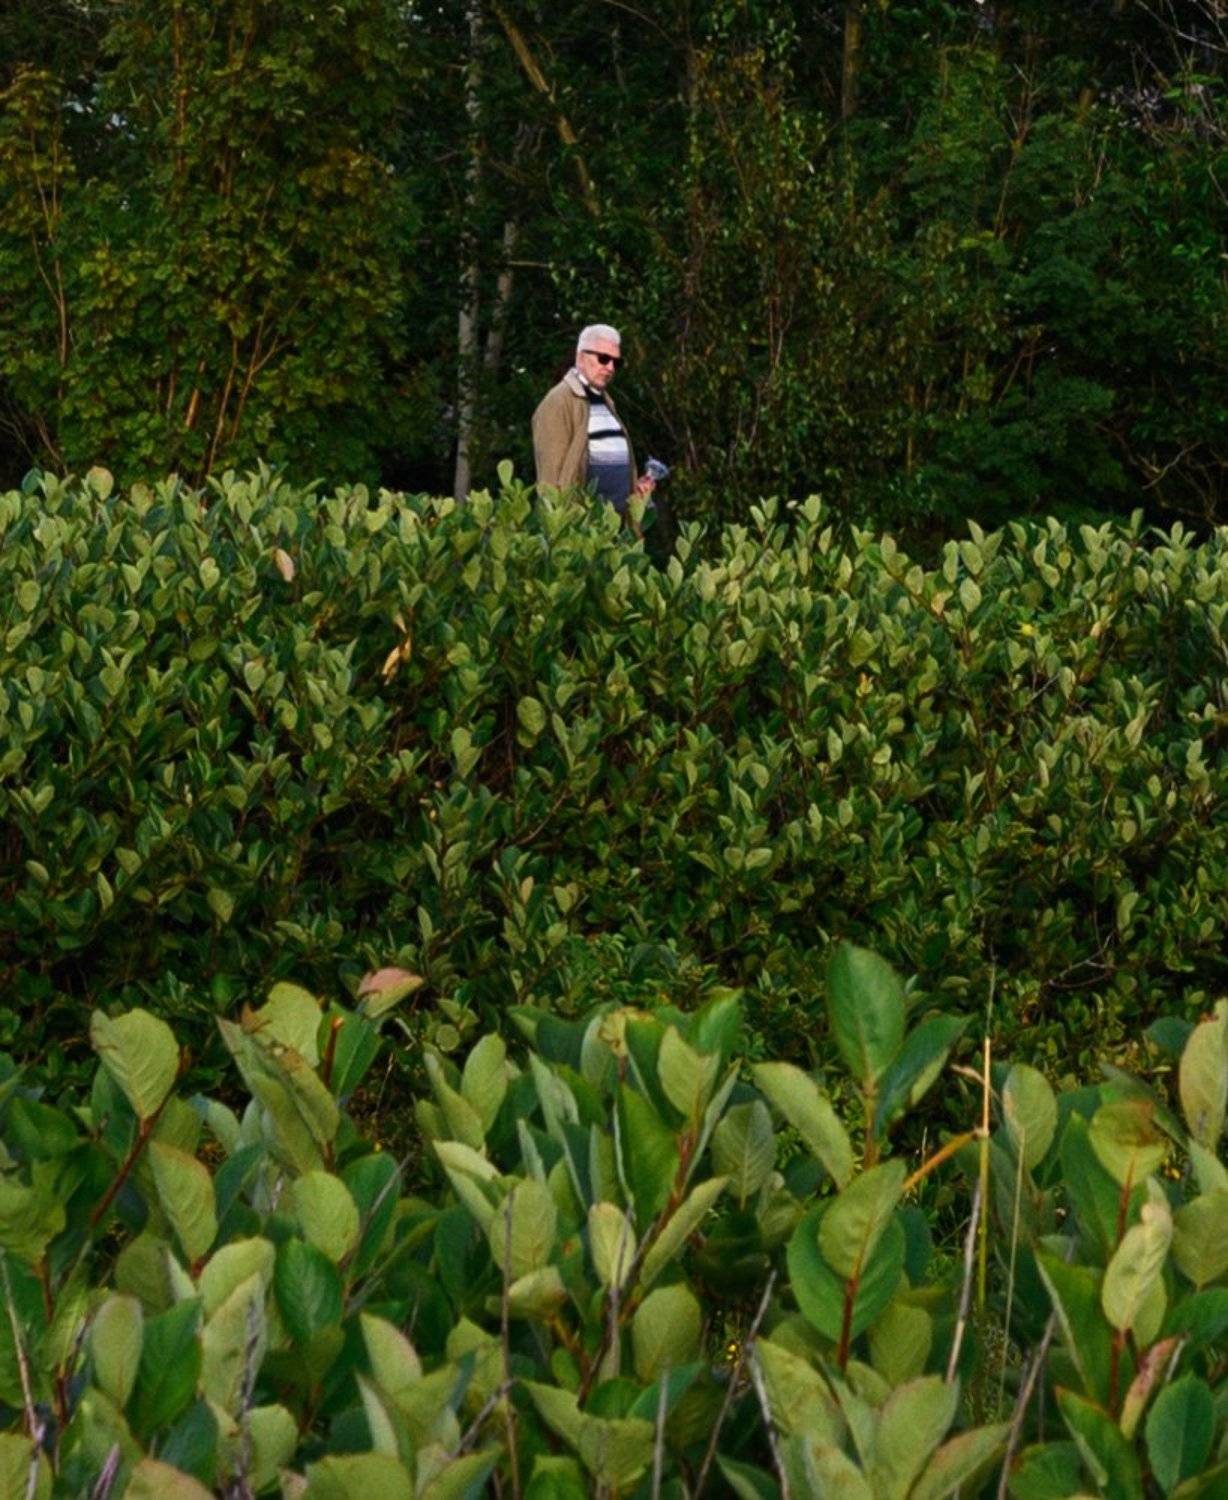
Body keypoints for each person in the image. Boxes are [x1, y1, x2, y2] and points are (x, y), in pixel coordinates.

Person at [531, 324, 656, 520]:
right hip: (584, 533)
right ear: (581, 357)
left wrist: (635, 490)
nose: (610, 368)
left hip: (615, 527)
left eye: (616, 362)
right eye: (603, 359)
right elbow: (550, 482)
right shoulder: (558, 401)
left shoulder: (605, 401)